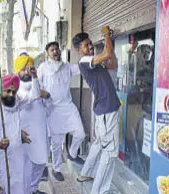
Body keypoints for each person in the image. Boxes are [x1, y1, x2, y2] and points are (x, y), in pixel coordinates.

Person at [72, 26, 121, 194]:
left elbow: (112, 61)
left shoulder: (94, 62)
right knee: (110, 153)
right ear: (80, 50)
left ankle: (85, 173)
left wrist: (108, 41)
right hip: (107, 111)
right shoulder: (84, 61)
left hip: (105, 111)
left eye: (90, 43)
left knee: (100, 144)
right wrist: (107, 34)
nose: (90, 47)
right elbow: (107, 54)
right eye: (86, 45)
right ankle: (99, 191)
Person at [37, 41, 86, 181]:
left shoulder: (67, 67)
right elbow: (36, 86)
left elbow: (82, 68)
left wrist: (84, 55)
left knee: (80, 133)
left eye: (57, 49)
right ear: (48, 53)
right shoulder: (43, 68)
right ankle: (56, 169)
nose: (55, 52)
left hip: (68, 107)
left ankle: (72, 153)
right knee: (56, 143)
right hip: (52, 109)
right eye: (52, 50)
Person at [0, 73, 40, 194]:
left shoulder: (17, 100)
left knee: (22, 185)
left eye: (14, 91)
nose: (11, 95)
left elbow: (35, 96)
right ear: (1, 89)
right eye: (8, 91)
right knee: (5, 187)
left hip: (19, 154)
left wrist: (34, 78)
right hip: (2, 157)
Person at [14, 55, 50, 194]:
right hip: (27, 134)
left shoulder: (38, 85)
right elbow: (34, 95)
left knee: (41, 162)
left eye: (29, 68)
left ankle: (33, 189)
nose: (27, 72)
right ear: (18, 72)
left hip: (40, 132)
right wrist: (35, 78)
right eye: (23, 69)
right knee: (27, 166)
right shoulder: (17, 90)